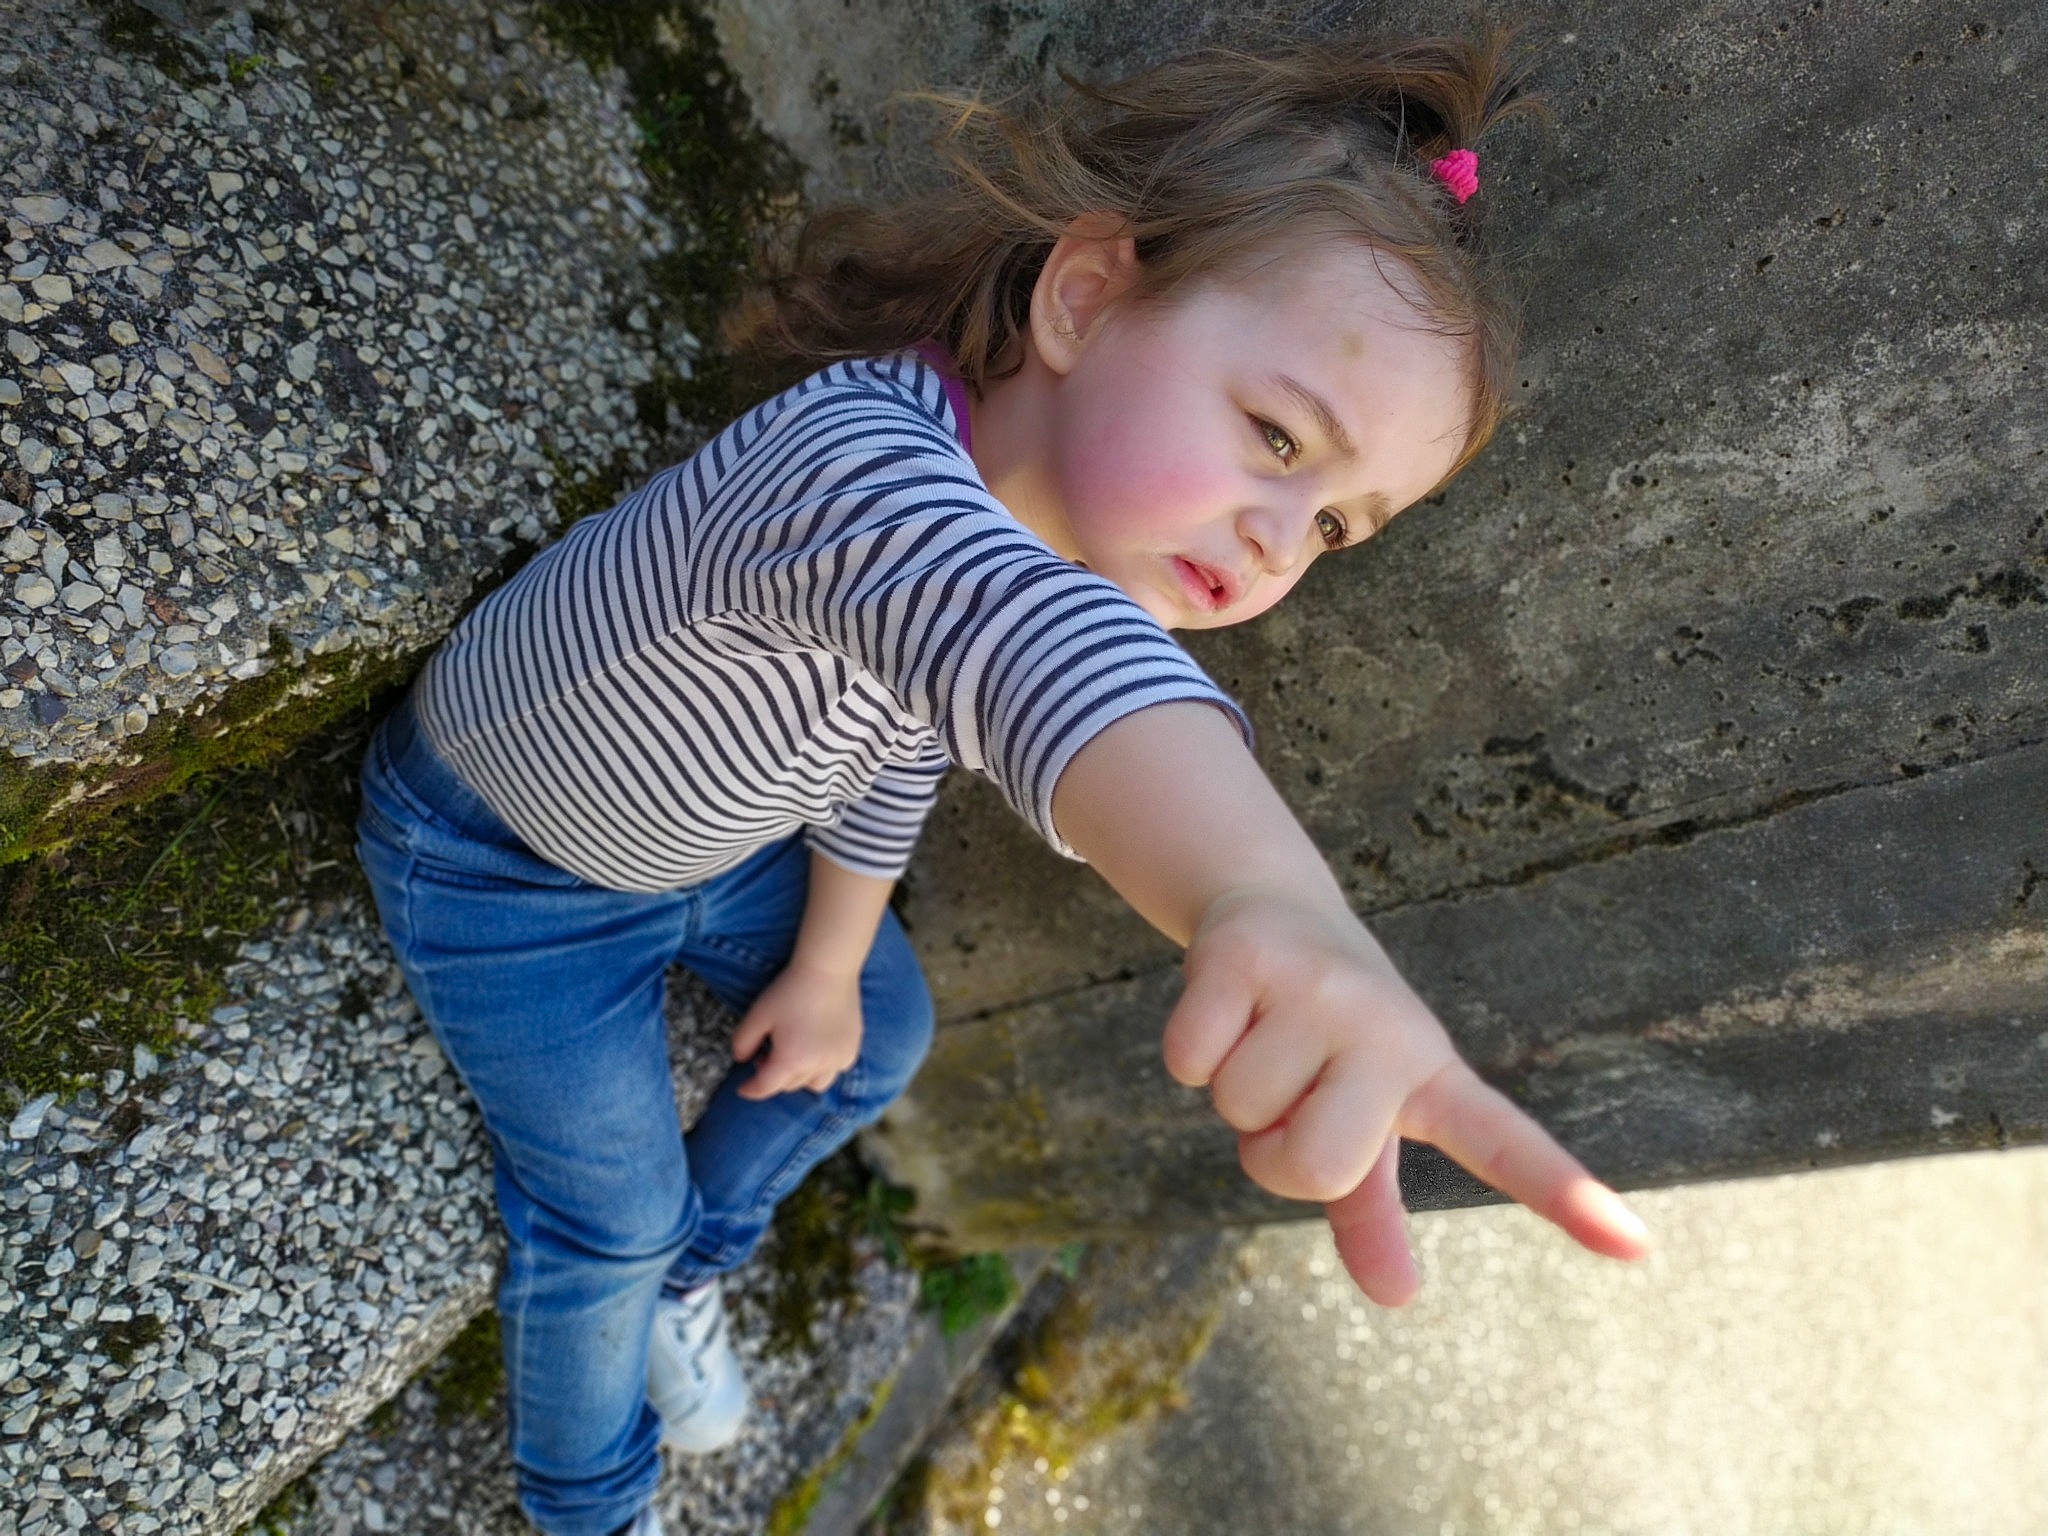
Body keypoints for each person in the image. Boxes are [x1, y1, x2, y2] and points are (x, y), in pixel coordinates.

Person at [354, 26, 1650, 1536]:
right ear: (1087, 295)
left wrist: (833, 957)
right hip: (508, 863)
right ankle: (591, 1499)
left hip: (719, 835)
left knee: (884, 1022)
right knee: (604, 1214)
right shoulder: (862, 466)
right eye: (1276, 436)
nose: (1278, 543)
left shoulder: (1032, 525)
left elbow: (902, 738)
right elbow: (1035, 655)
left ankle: (693, 1267)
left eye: (1337, 527)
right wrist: (1264, 897)